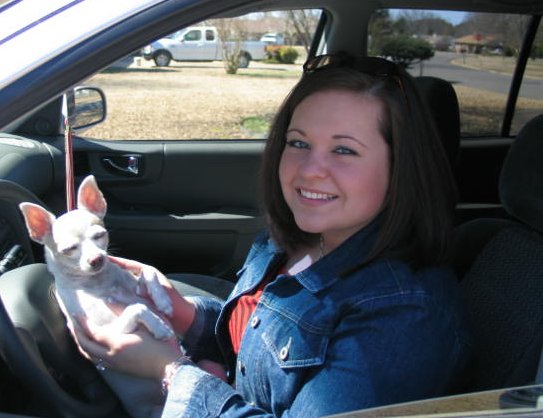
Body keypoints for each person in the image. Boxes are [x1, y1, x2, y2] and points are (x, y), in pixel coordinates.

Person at [74, 53, 471, 417]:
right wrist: (180, 314)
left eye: (344, 150)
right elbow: (256, 343)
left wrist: (169, 371)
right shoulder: (291, 237)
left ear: (400, 167)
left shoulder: (405, 314)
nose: (308, 170)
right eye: (298, 143)